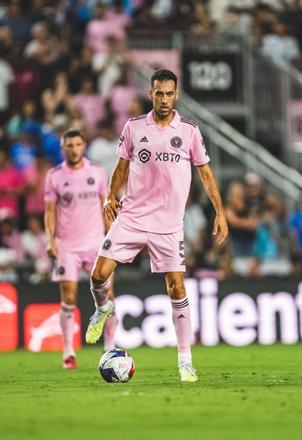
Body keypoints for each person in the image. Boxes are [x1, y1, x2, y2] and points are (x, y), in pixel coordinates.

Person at [85, 70, 228, 383]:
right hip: (133, 216)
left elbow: (205, 174)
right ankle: (102, 309)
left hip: (168, 224)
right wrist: (110, 196)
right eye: (158, 93)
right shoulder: (134, 127)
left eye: (169, 94)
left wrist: (220, 211)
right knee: (98, 275)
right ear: (151, 94)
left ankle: (186, 362)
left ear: (176, 95)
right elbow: (121, 168)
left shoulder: (189, 130)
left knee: (176, 288)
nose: (164, 99)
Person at [44, 130, 115, 369]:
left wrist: (114, 238)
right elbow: (50, 211)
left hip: (97, 244)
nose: (74, 149)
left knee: (107, 297)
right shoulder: (54, 176)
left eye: (78, 144)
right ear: (63, 149)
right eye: (69, 145)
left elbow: (106, 207)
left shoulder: (97, 172)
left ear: (84, 145)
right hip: (67, 246)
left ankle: (109, 347)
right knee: (69, 297)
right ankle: (68, 352)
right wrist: (51, 240)